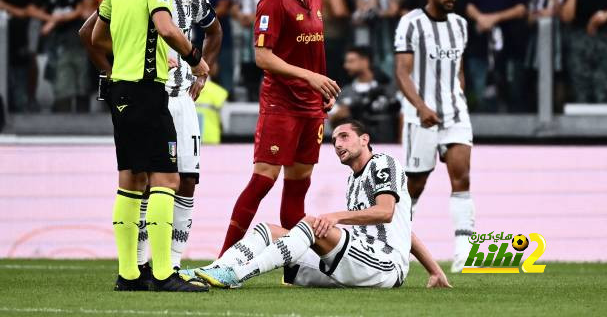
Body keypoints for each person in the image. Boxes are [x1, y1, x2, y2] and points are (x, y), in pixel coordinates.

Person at [80, 0, 222, 277]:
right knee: (166, 180)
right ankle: (162, 270)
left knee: (132, 179)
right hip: (151, 91)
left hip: (127, 92)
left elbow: (94, 36)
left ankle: (131, 272)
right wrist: (195, 59)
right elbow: (164, 27)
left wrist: (114, 70)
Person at [185, 120, 451, 290]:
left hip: (383, 265)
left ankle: (237, 275)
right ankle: (210, 270)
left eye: (345, 136)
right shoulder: (352, 180)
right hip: (359, 258)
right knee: (269, 230)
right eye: (334, 140)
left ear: (365, 139)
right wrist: (436, 271)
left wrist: (335, 216)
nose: (337, 144)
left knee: (312, 223)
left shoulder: (383, 164)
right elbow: (406, 231)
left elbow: (385, 212)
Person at [218, 0, 340, 255]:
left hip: (311, 106)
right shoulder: (272, 1)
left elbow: (315, 50)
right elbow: (263, 57)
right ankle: (223, 259)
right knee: (262, 181)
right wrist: (311, 77)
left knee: (297, 190)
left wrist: (322, 85)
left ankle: (292, 266)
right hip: (281, 105)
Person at [394, 0, 475, 274]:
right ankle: (397, 241)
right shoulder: (411, 23)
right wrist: (420, 106)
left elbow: (459, 70)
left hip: (455, 114)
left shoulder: (460, 25)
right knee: (415, 183)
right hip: (420, 117)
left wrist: (457, 98)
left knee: (462, 177)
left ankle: (464, 253)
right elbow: (402, 72)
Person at [466, 0, 529, 112]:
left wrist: (493, 18)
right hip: (480, 43)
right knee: (481, 92)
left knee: (513, 92)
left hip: (512, 45)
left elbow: (521, 8)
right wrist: (480, 18)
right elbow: (469, 5)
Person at [27, 0, 86, 112]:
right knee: (61, 84)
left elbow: (83, 8)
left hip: (79, 42)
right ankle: (61, 120)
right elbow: (30, 9)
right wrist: (50, 18)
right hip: (56, 43)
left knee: (82, 84)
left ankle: (85, 125)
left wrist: (60, 19)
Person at [230, 0, 284, 101]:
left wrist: (256, 17)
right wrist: (239, 15)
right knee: (248, 61)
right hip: (248, 31)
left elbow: (282, 6)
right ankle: (251, 93)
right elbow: (234, 6)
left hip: (271, 32)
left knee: (270, 64)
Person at [560, 0, 607, 103]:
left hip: (605, 41)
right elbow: (566, 17)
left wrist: (604, 15)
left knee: (604, 81)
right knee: (580, 77)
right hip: (580, 41)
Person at [329, 47, 400, 143]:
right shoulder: (344, 92)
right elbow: (332, 123)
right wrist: (339, 116)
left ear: (365, 61)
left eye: (351, 61)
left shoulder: (387, 88)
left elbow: (401, 116)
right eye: (346, 62)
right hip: (356, 149)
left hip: (388, 147)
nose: (346, 66)